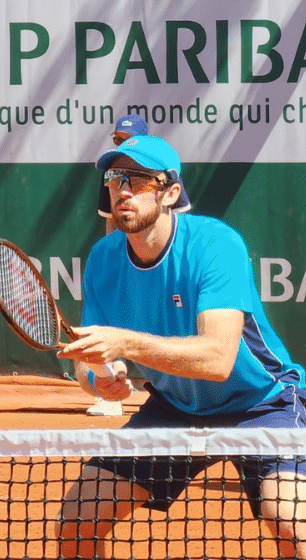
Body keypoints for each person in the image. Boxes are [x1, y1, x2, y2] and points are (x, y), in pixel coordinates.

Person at [57, 135, 306, 559]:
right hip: (175, 407)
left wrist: (125, 343)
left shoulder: (213, 244)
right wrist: (101, 380)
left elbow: (218, 359)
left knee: (289, 519)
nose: (122, 189)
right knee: (77, 518)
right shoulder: (103, 258)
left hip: (262, 402)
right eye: (114, 178)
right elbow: (88, 362)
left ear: (170, 192)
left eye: (139, 179)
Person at [86, 114, 193, 416]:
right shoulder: (112, 176)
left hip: (161, 266)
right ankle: (112, 397)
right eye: (117, 138)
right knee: (94, 360)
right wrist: (117, 260)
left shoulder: (160, 173)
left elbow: (178, 220)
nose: (120, 142)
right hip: (129, 259)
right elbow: (112, 224)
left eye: (126, 138)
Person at [97, 114, 191, 235]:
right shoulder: (110, 170)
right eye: (118, 139)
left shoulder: (163, 168)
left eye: (141, 179)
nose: (124, 192)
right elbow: (110, 219)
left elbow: (180, 213)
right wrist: (111, 250)